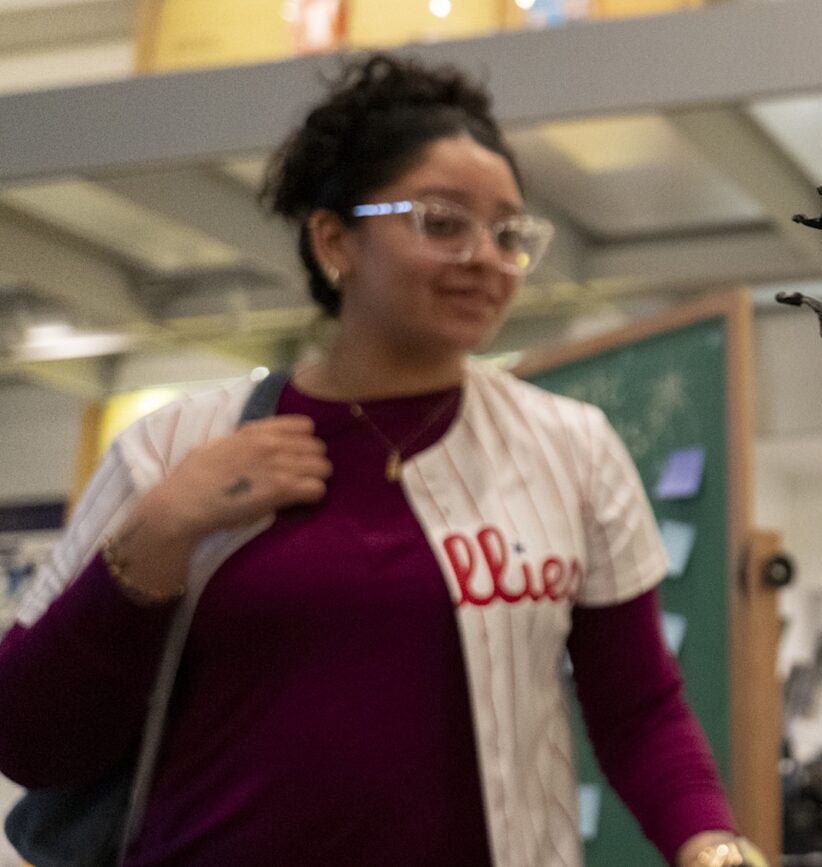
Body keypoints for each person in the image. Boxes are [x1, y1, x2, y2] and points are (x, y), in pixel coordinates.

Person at [0, 54, 759, 867]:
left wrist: (712, 846)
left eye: (508, 233)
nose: (486, 256)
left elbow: (638, 706)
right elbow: (32, 739)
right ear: (335, 241)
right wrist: (158, 530)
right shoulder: (175, 447)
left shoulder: (571, 448)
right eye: (442, 221)